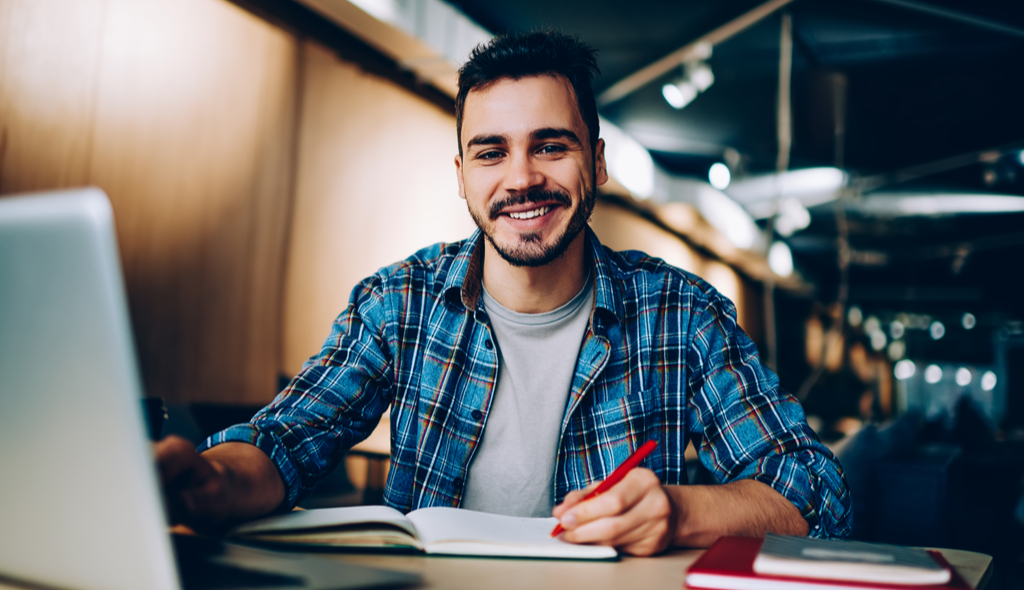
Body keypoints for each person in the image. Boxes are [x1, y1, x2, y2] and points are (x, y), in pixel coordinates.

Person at [157, 30, 851, 556]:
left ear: (597, 162)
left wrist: (680, 511)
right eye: (492, 152)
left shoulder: (683, 315)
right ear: (462, 174)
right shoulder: (398, 303)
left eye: (551, 146)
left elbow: (817, 494)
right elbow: (285, 440)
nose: (521, 178)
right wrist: (211, 482)